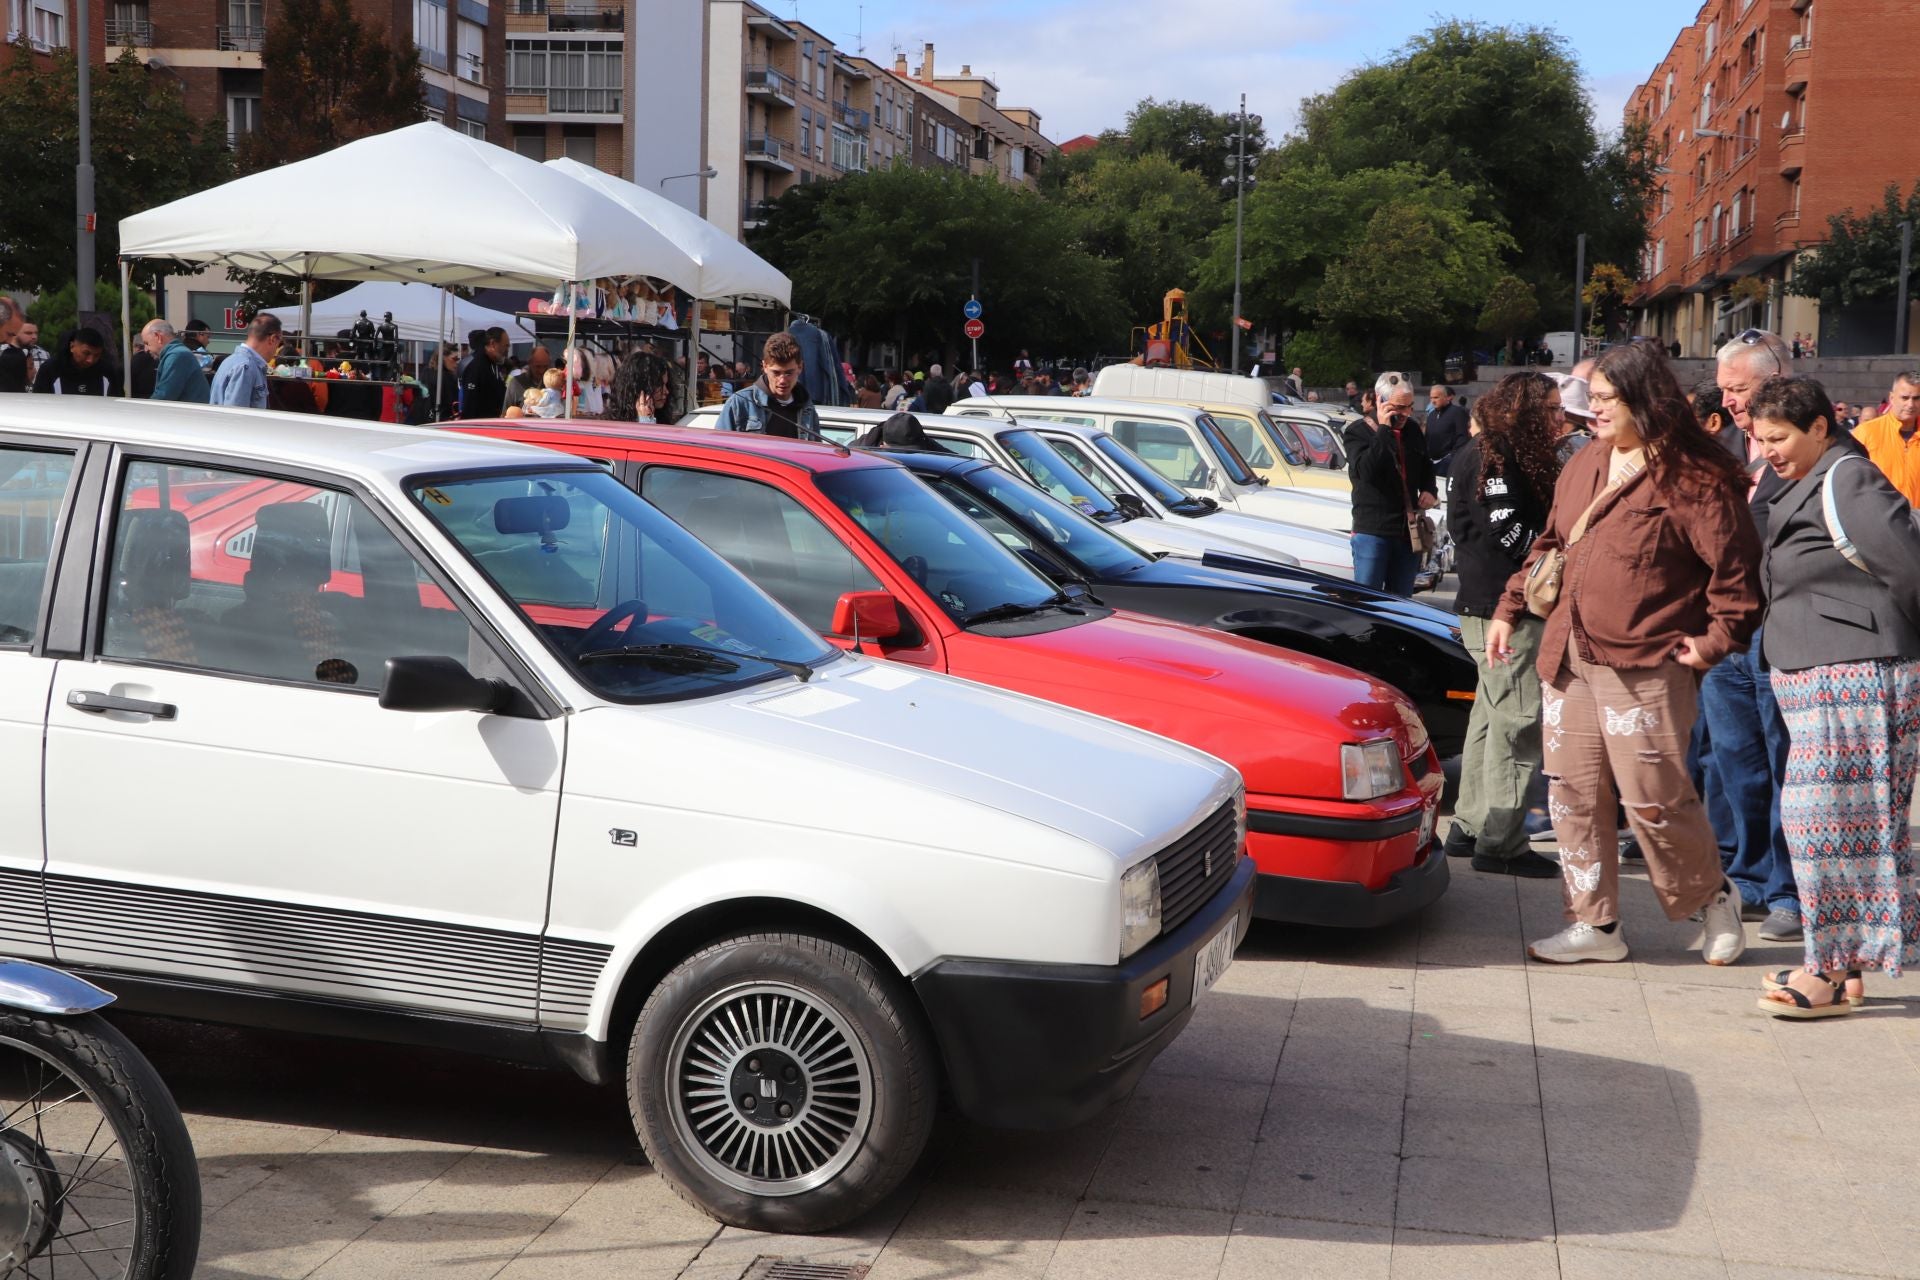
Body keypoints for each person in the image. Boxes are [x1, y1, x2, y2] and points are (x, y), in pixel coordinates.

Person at [1487, 341, 1761, 965]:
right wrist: (1509, 608)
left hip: (1645, 662)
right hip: (1568, 656)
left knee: (1655, 798)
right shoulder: (1584, 462)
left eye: (1607, 398)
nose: (1593, 410)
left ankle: (1712, 897)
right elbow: (1550, 543)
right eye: (1593, 397)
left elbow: (1736, 572)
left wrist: (1716, 642)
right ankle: (1595, 926)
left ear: (1645, 398)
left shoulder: (1695, 475)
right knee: (1572, 795)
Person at [1748, 376, 1920, 1016]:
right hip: (1828, 675)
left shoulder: (1847, 476)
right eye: (1760, 438)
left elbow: (1910, 565)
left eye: (1779, 436)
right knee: (1836, 826)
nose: (1768, 449)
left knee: (1830, 829)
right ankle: (1843, 965)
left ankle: (1826, 972)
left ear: (1819, 426)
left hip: (1859, 675)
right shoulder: (1810, 476)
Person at [1444, 371, 1564, 878]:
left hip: (1485, 605)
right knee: (1516, 722)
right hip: (1506, 612)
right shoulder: (1498, 456)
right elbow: (1509, 532)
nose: (1561, 419)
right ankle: (1503, 842)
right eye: (1553, 410)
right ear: (1527, 410)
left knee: (1490, 719)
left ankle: (1470, 826)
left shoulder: (1482, 451)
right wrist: (1556, 561)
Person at [1707, 329, 1802, 939]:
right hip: (1722, 633)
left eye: (1738, 390)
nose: (1730, 401)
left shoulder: (1809, 450)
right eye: (1724, 391)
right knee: (1736, 763)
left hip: (1781, 632)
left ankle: (1789, 889)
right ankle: (1747, 874)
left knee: (1785, 762)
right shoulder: (1718, 445)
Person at [1344, 372, 1437, 596]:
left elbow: (1426, 465)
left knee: (1402, 606)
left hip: (1407, 532)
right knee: (1368, 602)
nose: (1405, 414)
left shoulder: (1412, 430)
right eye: (1399, 407)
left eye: (1410, 407)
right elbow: (1366, 471)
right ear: (1380, 401)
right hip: (1372, 531)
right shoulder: (1357, 432)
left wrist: (1429, 489)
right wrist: (1384, 430)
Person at [715, 331, 819, 438]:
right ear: (765, 366)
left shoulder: (807, 407)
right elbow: (719, 449)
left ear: (800, 367)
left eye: (789, 373)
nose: (782, 380)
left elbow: (816, 452)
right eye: (776, 373)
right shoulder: (740, 403)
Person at [1849, 372, 1920, 507]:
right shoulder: (1866, 433)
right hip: (1880, 521)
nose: (1911, 404)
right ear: (1892, 398)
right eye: (1904, 398)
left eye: (1916, 398)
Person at [207, 314, 280, 408]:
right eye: (279, 342)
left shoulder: (231, 361)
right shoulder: (246, 367)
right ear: (273, 339)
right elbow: (237, 417)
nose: (276, 349)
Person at [33, 327, 121, 397]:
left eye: (96, 355)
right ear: (72, 347)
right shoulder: (50, 369)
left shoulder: (107, 371)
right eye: (86, 353)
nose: (90, 360)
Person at [142, 319, 210, 404]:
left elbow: (163, 398)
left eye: (146, 343)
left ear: (158, 336)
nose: (146, 349)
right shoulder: (177, 353)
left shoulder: (177, 356)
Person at [457, 327, 509, 419]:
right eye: (505, 346)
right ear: (493, 344)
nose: (507, 350)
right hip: (479, 426)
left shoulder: (494, 364)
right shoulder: (476, 366)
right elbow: (470, 404)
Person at [1424, 384, 1469, 468]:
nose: (1433, 401)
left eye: (1436, 397)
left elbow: (1462, 437)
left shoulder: (1457, 412)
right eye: (1431, 398)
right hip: (1431, 463)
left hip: (1448, 463)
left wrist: (1451, 457)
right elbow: (1427, 437)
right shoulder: (1431, 415)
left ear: (1446, 397)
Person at [503, 345, 552, 413]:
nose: (541, 371)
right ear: (530, 363)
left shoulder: (554, 385)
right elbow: (506, 413)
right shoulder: (516, 383)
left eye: (545, 366)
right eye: (537, 366)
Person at [0, 307, 38, 393]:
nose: (34, 337)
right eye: (28, 333)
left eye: (36, 333)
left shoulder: (44, 354)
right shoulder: (2, 354)